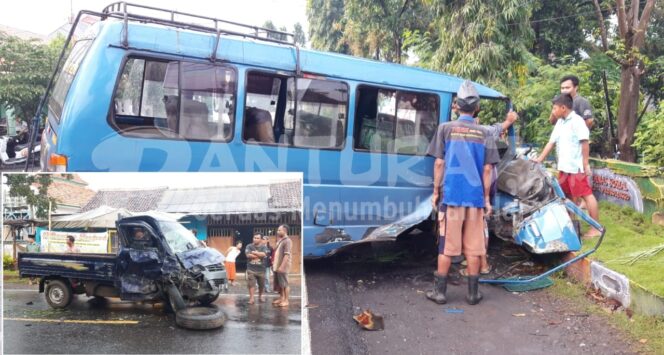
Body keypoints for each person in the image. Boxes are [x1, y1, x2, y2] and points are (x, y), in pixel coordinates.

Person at [425, 80, 500, 305]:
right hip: (475, 199)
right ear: (476, 108)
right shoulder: (485, 133)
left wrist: (436, 192)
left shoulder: (446, 129)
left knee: (447, 246)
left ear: (456, 106)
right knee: (474, 248)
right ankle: (472, 294)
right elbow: (488, 169)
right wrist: (486, 199)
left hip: (452, 197)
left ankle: (440, 292)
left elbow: (439, 164)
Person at [535, 94, 601, 238]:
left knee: (586, 195)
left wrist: (585, 164)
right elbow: (551, 143)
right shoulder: (560, 122)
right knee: (567, 196)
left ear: (563, 108)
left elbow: (584, 143)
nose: (553, 111)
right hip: (564, 167)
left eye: (554, 108)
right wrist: (539, 159)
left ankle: (596, 227)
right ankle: (570, 224)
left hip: (575, 168)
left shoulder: (577, 121)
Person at [245, 233, 269, 305]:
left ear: (261, 239)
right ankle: (251, 298)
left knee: (261, 285)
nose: (255, 239)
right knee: (251, 284)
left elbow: (264, 254)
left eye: (257, 238)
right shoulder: (249, 246)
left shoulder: (264, 247)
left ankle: (260, 296)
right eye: (254, 237)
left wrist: (254, 252)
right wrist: (259, 255)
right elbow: (248, 255)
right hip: (251, 269)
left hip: (261, 270)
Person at [272, 224, 292, 307]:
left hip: (283, 266)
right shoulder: (281, 240)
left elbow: (287, 255)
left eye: (279, 230)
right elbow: (275, 250)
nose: (277, 232)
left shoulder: (288, 241)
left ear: (285, 231)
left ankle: (286, 300)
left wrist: (282, 267)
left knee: (285, 284)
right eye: (278, 230)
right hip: (277, 265)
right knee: (280, 284)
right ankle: (281, 298)